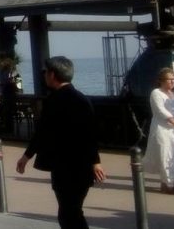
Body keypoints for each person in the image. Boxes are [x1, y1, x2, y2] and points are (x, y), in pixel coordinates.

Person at [16, 56, 106, 229]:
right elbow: (90, 134)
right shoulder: (82, 99)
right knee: (72, 210)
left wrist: (26, 156)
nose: (43, 76)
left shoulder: (54, 101)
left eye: (45, 72)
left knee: (68, 213)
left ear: (52, 74)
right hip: (82, 165)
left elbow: (42, 133)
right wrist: (95, 161)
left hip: (63, 165)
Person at [144, 67, 174, 194]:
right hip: (163, 129)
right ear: (161, 81)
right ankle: (167, 185)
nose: (172, 81)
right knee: (166, 156)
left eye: (173, 79)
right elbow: (161, 112)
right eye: (169, 79)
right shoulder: (156, 93)